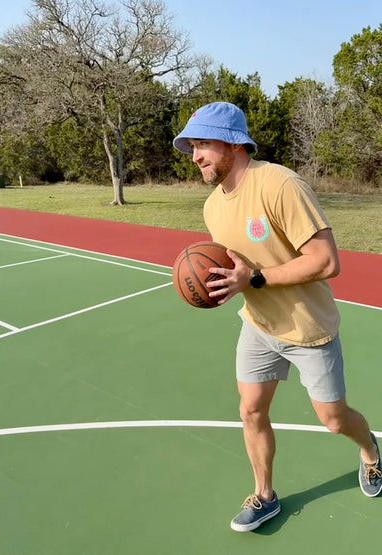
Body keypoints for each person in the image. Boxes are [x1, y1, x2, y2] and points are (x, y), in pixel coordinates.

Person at [173, 101, 382, 532]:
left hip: (309, 329)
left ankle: (371, 452)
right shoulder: (213, 207)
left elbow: (326, 261)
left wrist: (255, 280)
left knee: (334, 420)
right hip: (258, 327)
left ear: (234, 143)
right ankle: (265, 495)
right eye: (192, 146)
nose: (195, 156)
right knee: (250, 410)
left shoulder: (280, 185)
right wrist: (225, 284)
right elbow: (237, 272)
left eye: (204, 144)